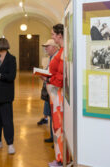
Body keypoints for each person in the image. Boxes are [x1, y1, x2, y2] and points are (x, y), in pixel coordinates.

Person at [42, 24, 72, 167]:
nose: (52, 37)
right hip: (55, 95)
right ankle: (61, 158)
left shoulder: (64, 51)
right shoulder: (62, 50)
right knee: (57, 128)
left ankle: (61, 160)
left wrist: (47, 78)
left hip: (58, 96)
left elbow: (60, 78)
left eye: (53, 34)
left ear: (60, 35)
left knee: (59, 129)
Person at [38, 39, 59, 144]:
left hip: (54, 90)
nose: (45, 48)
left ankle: (55, 138)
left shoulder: (57, 58)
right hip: (49, 89)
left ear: (54, 47)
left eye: (47, 46)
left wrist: (46, 77)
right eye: (45, 46)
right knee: (50, 114)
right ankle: (52, 136)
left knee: (54, 115)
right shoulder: (51, 57)